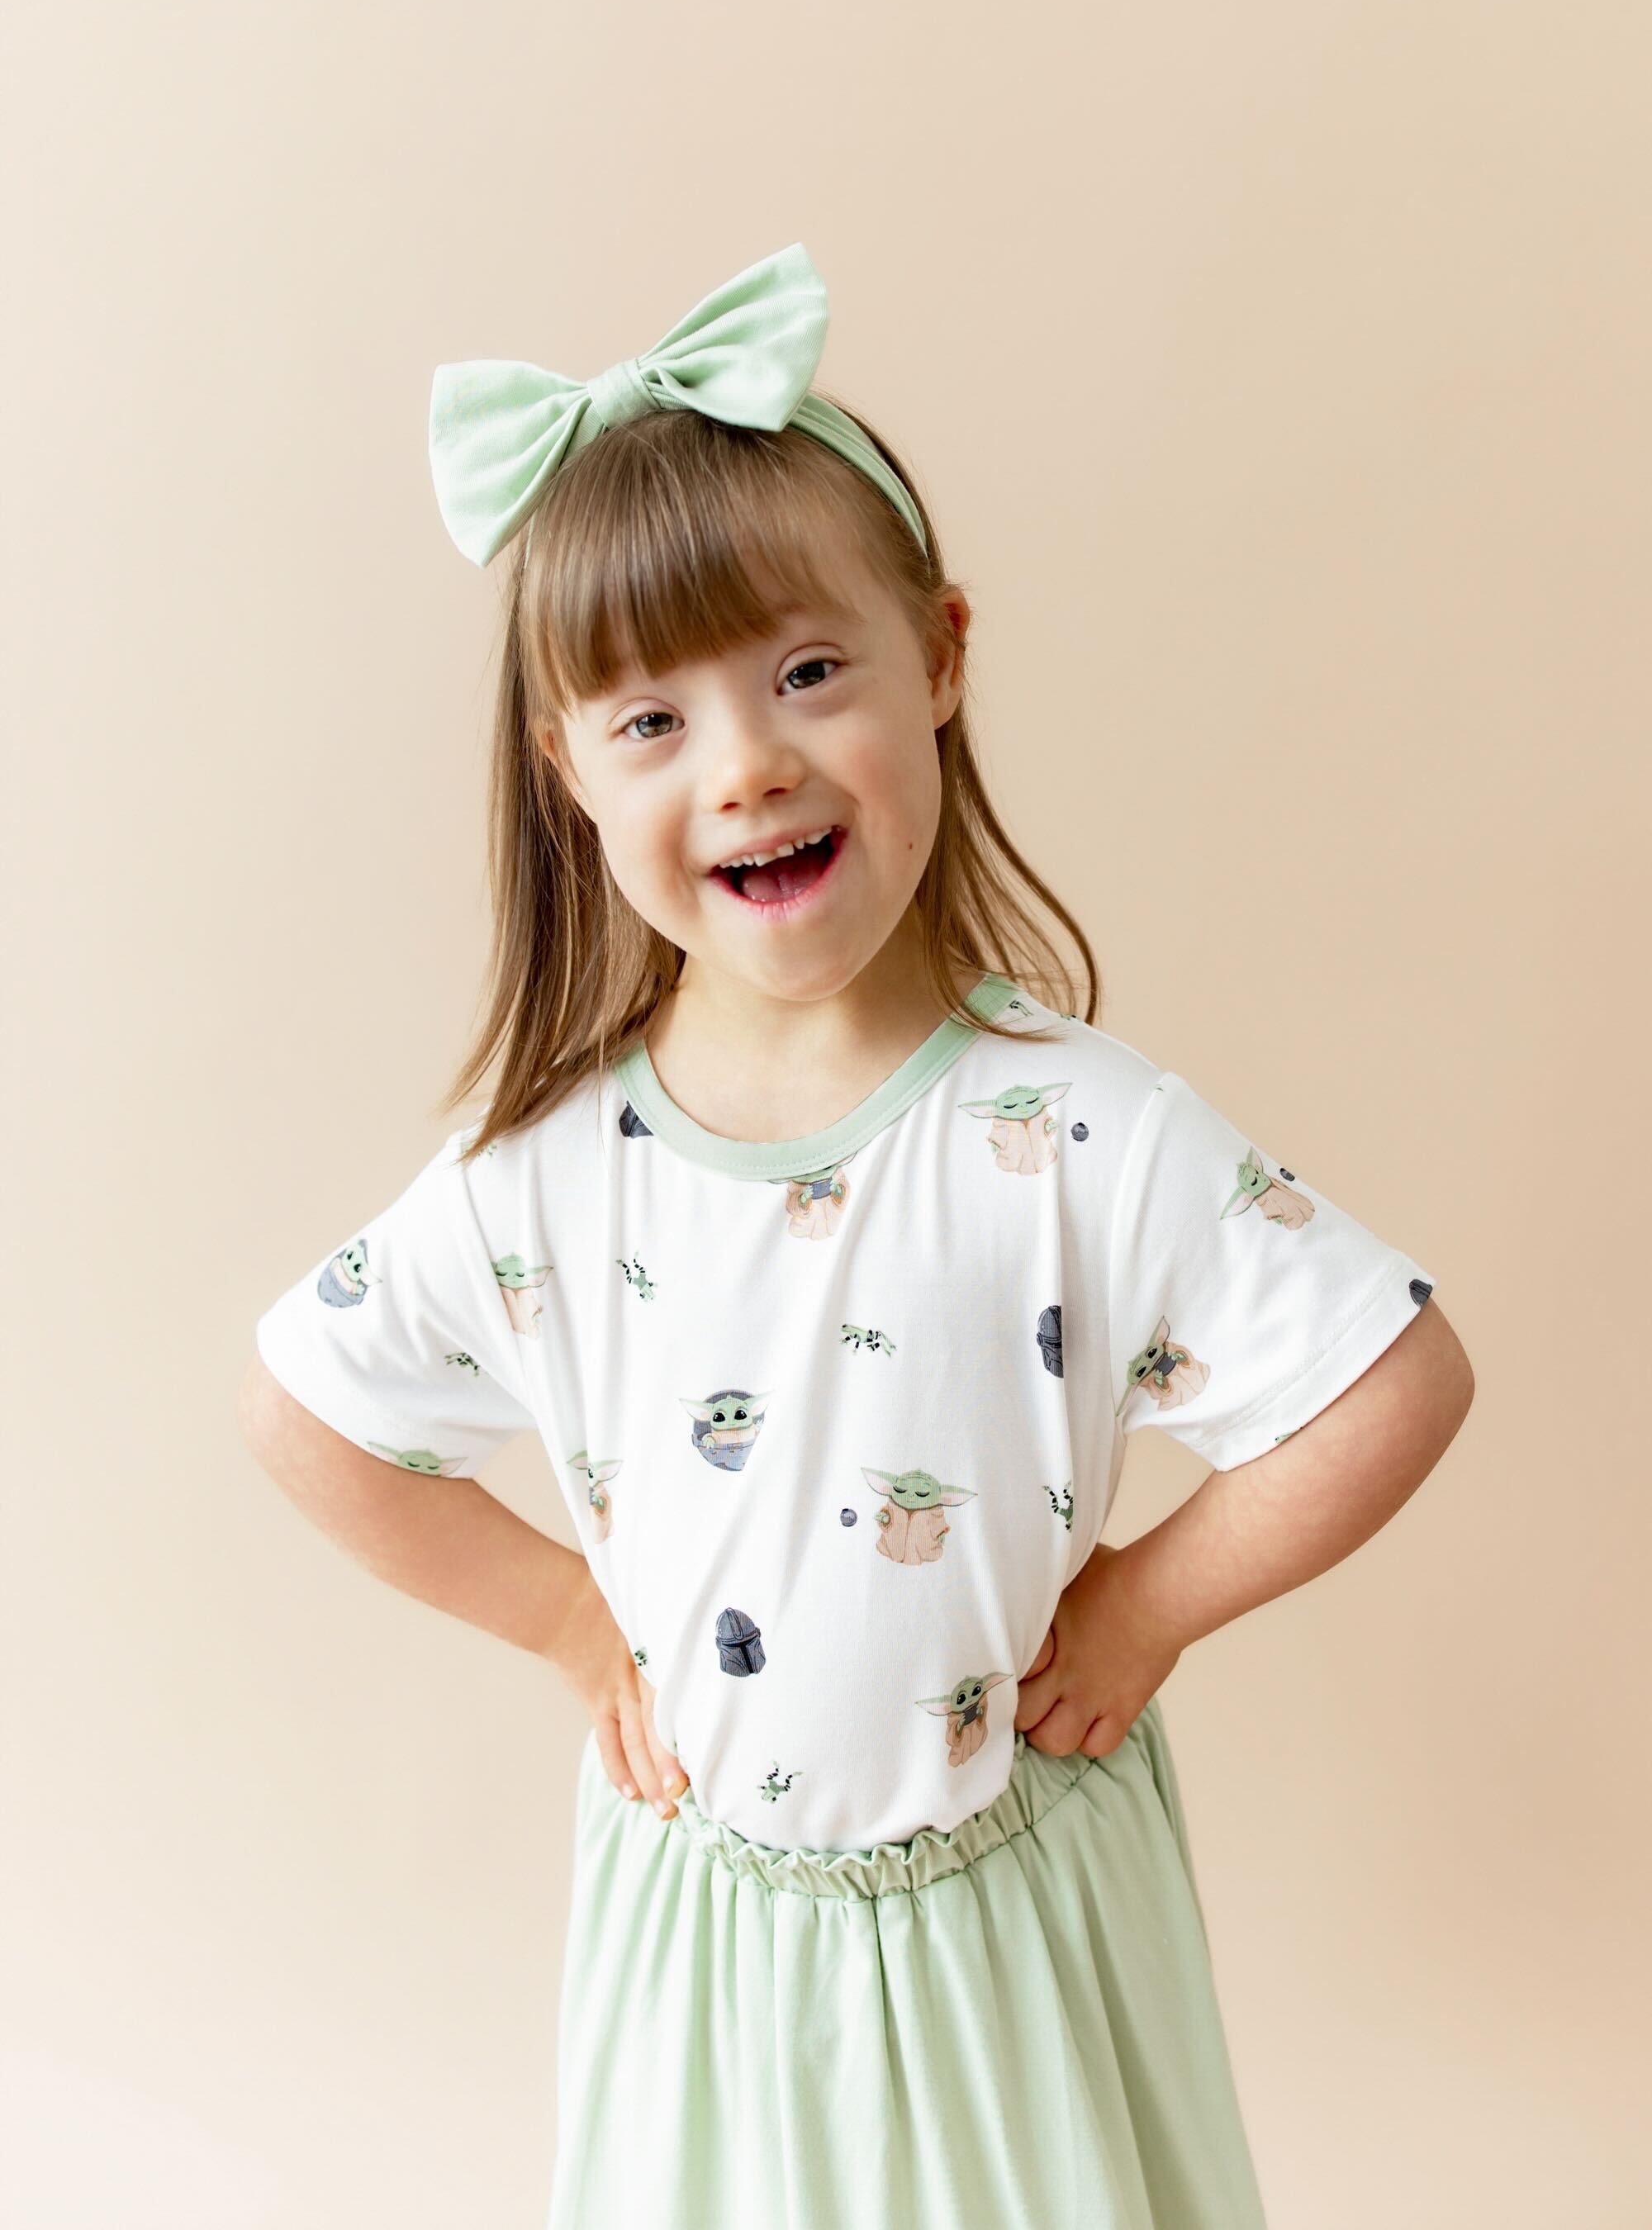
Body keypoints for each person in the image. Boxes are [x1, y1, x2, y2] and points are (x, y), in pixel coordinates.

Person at [240, 242, 1474, 2230]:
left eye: (808, 672)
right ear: (568, 771)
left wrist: (1148, 1606)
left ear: (941, 656)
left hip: (1005, 1927)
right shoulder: (545, 1171)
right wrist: (566, 1619)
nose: (746, 764)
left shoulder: (1076, 1129)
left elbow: (1392, 1379)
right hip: (711, 1944)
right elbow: (307, 1416)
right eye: (652, 719)